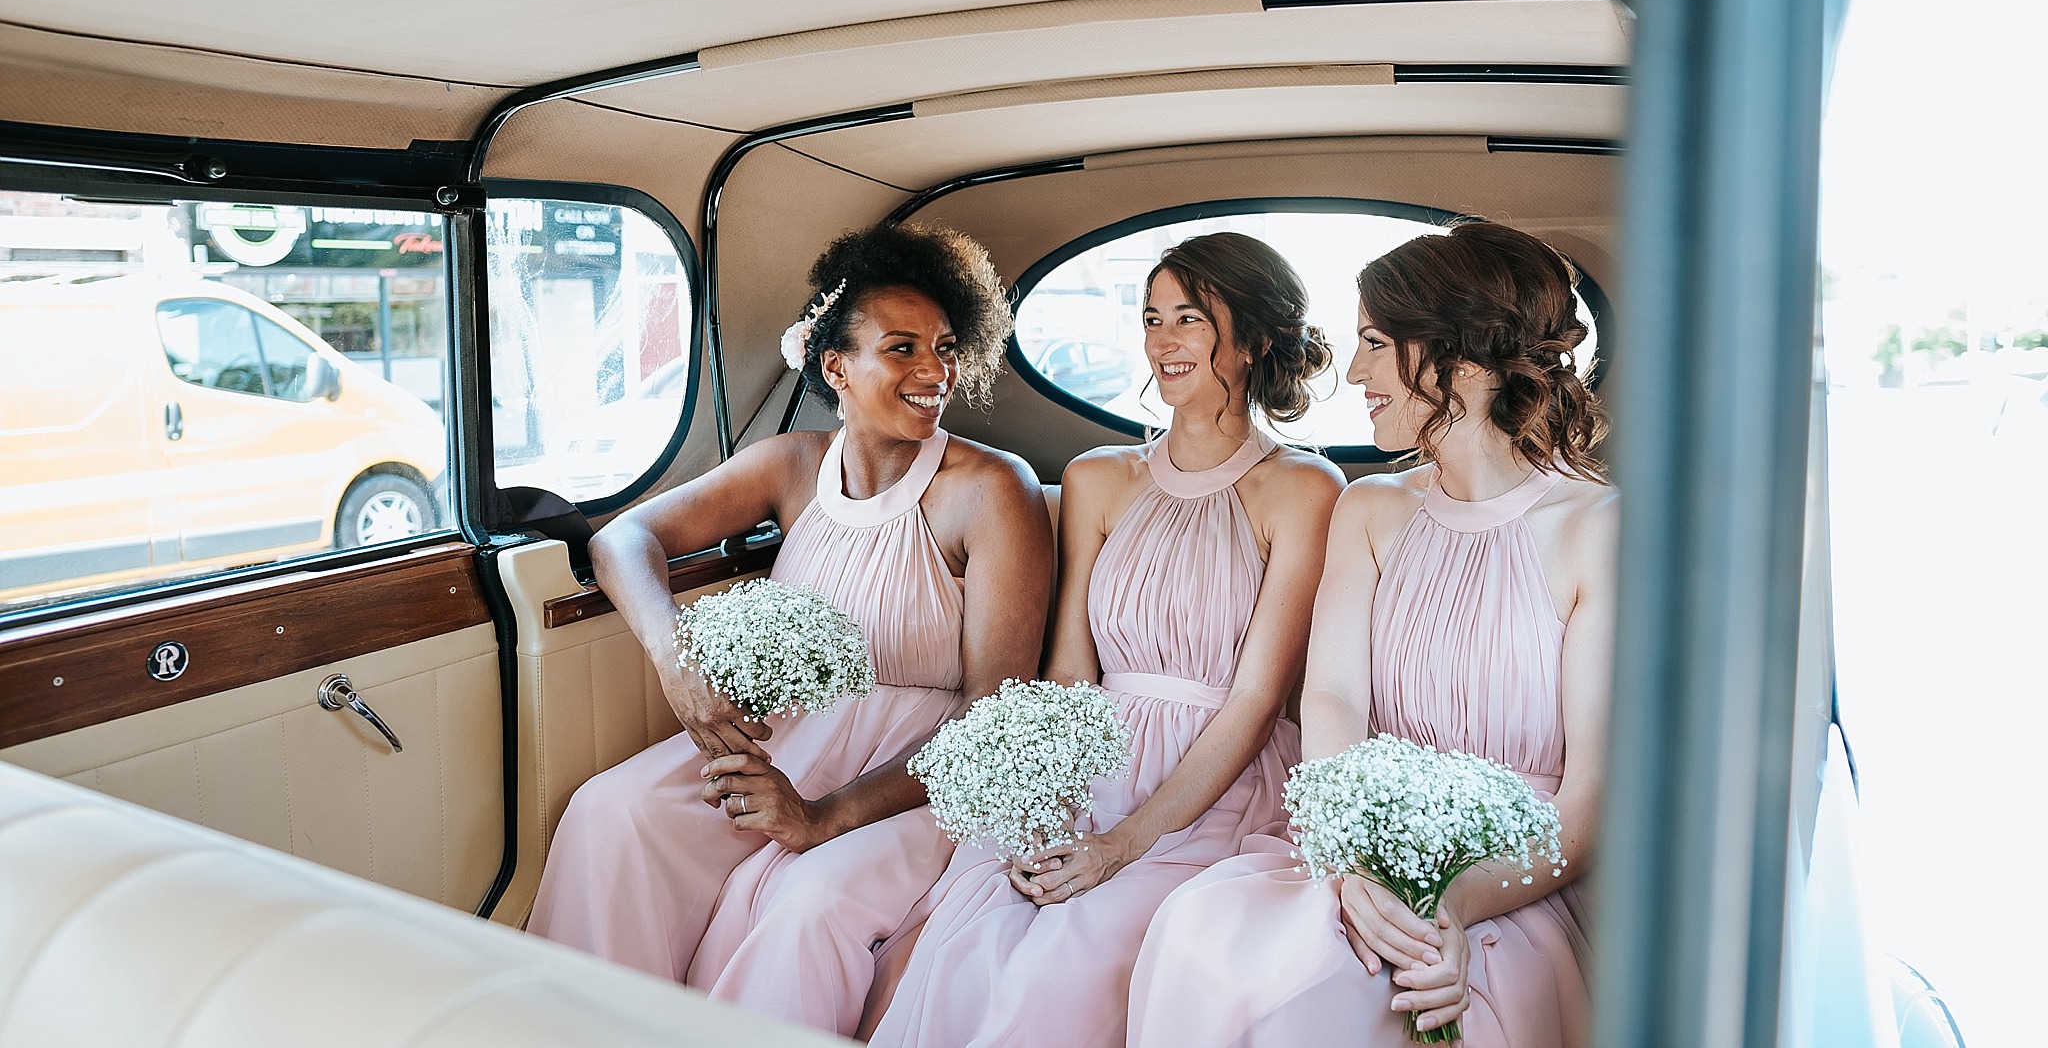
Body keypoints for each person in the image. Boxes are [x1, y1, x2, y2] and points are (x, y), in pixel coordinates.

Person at [525, 221, 1054, 1038]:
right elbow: (621, 538)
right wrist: (677, 657)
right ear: (835, 364)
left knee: (796, 896)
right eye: (903, 348)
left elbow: (988, 720)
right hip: (783, 738)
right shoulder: (792, 463)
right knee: (609, 811)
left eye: (946, 349)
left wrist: (824, 816)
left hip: (912, 775)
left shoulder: (992, 488)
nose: (934, 372)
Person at [1128, 219, 1616, 1048]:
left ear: (1459, 356)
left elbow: (1588, 803)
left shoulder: (1597, 529)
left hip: (1515, 878)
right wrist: (1350, 861)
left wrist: (1450, 906)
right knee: (1199, 937)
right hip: (1356, 837)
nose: (1353, 371)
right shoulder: (1371, 508)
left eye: (1376, 343)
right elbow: (1334, 697)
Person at [868, 232, 1344, 1048]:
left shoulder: (1304, 487)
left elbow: (1258, 697)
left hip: (1213, 782)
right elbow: (1067, 671)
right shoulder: (1097, 477)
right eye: (1151, 317)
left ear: (1257, 338)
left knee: (1063, 968)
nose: (1161, 340)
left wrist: (1125, 841)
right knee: (956, 947)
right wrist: (1044, 813)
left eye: (1189, 318)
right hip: (1088, 763)